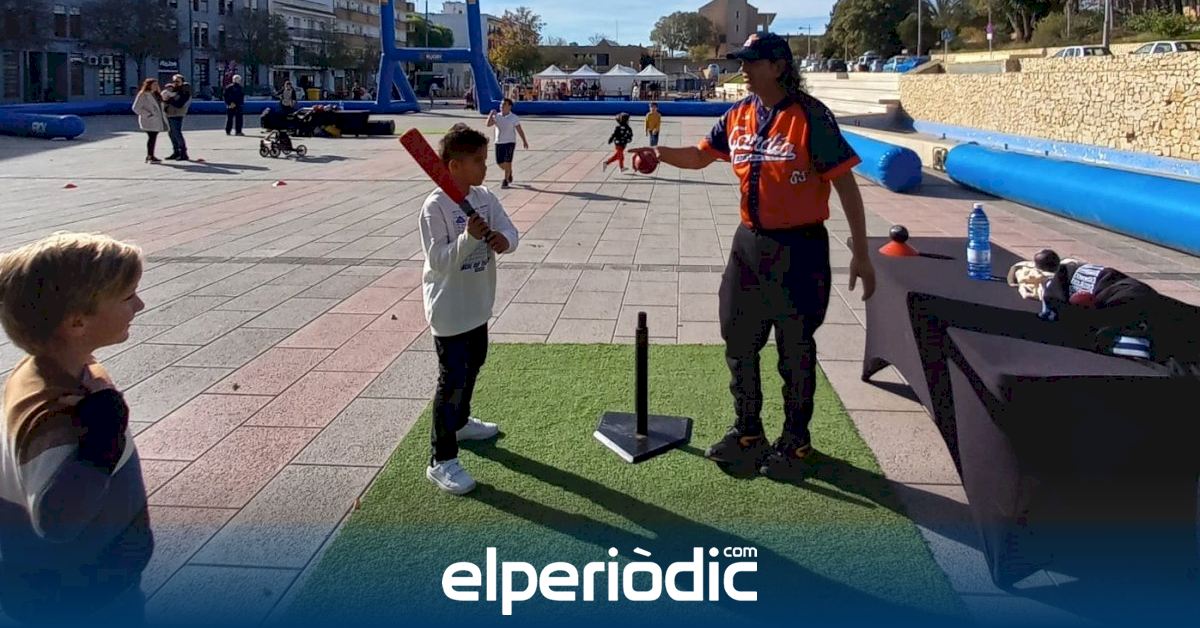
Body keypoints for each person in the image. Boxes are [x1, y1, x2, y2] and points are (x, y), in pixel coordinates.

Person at [631, 32, 877, 478]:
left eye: (752, 61)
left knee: (794, 350)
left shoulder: (810, 116)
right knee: (738, 339)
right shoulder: (739, 114)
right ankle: (748, 432)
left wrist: (861, 251)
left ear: (778, 66)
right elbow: (701, 156)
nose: (742, 69)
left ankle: (796, 442)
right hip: (749, 245)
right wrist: (658, 153)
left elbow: (845, 184)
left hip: (800, 249)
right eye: (741, 61)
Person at [0, 232, 151, 625]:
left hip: (93, 582)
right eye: (127, 297)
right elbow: (58, 518)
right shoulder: (53, 412)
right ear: (77, 322)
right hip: (77, 595)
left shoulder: (63, 370)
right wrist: (105, 430)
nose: (139, 305)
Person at [418, 124, 520, 495]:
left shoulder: (485, 197)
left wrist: (504, 240)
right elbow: (439, 261)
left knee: (474, 365)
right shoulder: (435, 207)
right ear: (454, 166)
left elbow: (511, 231)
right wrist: (469, 238)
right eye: (477, 161)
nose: (485, 166)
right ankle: (441, 459)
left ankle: (460, 423)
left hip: (479, 304)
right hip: (449, 310)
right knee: (452, 382)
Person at [485, 98, 528, 189]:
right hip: (499, 141)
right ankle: (509, 171)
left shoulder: (514, 117)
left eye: (504, 104)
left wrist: (524, 141)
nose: (501, 106)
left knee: (508, 161)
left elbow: (519, 130)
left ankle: (505, 180)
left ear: (509, 106)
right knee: (500, 162)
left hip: (510, 142)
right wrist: (491, 114)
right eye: (501, 104)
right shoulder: (497, 116)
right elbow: (488, 124)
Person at [131, 78, 168, 164]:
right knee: (152, 137)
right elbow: (136, 108)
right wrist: (148, 114)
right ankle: (150, 156)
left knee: (153, 137)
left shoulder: (157, 94)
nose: (156, 86)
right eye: (154, 84)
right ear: (149, 85)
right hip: (149, 120)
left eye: (156, 84)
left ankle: (151, 155)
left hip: (157, 119)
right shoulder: (143, 94)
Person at [160, 74, 192, 161]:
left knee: (177, 133)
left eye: (177, 81)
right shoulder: (173, 90)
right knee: (171, 133)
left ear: (182, 82)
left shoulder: (184, 91)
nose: (175, 83)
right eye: (174, 81)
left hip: (177, 114)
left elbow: (179, 104)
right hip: (170, 114)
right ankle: (176, 152)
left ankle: (183, 153)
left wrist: (169, 100)